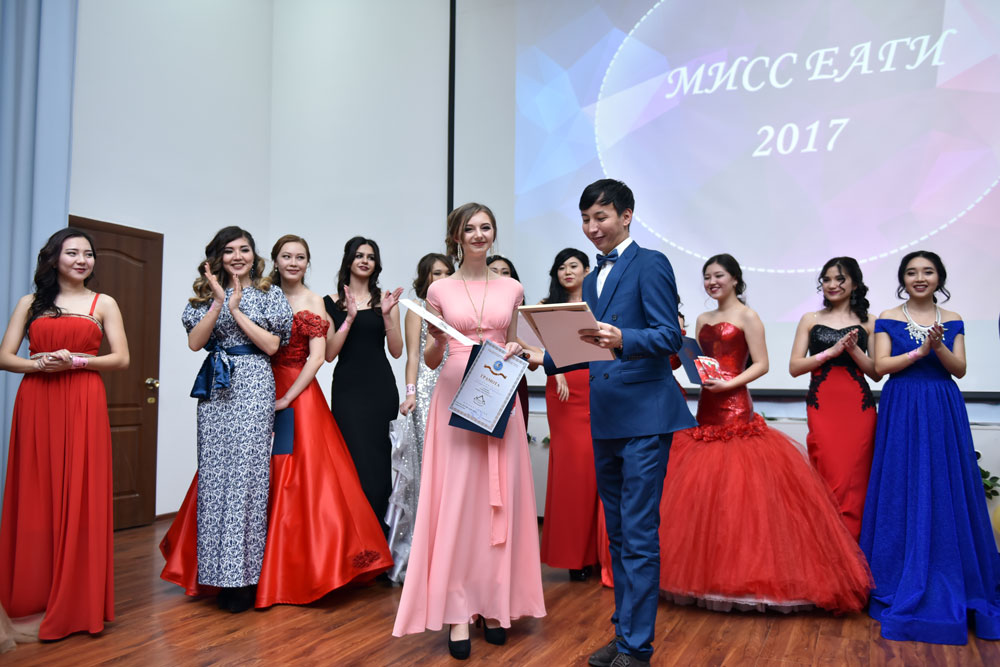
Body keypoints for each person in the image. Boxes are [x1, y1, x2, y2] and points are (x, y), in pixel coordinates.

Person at [160, 235, 393, 606]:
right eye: (287, 256)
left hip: (296, 392)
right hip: (252, 389)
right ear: (274, 260)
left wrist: (287, 397)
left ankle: (294, 568)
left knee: (295, 479)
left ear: (308, 262)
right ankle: (236, 569)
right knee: (248, 475)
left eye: (300, 257)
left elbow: (318, 358)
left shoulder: (313, 301)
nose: (293, 262)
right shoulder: (261, 294)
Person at [535, 179, 695, 667]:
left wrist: (623, 337)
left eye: (600, 217)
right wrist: (540, 355)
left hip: (645, 417)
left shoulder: (651, 263)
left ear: (626, 216)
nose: (592, 228)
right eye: (585, 219)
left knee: (640, 535)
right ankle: (626, 635)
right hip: (604, 419)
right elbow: (585, 345)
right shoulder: (590, 281)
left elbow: (669, 336)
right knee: (620, 535)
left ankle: (636, 649)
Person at [656, 254, 871, 615]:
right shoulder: (702, 319)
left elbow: (762, 364)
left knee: (741, 498)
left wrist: (729, 384)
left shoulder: (749, 316)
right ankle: (710, 577)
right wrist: (695, 367)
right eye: (707, 276)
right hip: (706, 408)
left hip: (736, 407)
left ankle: (744, 579)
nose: (712, 282)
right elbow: (702, 362)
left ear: (735, 280)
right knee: (708, 500)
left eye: (719, 275)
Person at [393, 203, 545, 660]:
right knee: (458, 504)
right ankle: (458, 610)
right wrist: (439, 341)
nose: (479, 234)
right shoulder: (439, 289)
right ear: (456, 237)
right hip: (454, 397)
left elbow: (519, 341)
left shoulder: (512, 287)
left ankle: (496, 606)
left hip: (499, 393)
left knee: (501, 502)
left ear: (493, 234)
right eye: (470, 228)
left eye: (486, 227)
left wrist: (518, 347)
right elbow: (432, 359)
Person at [861, 250, 1000, 644]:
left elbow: (959, 369)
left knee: (943, 485)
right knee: (901, 483)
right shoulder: (887, 316)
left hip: (941, 404)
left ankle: (948, 570)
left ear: (939, 277)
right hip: (902, 403)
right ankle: (894, 573)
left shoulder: (952, 318)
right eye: (911, 272)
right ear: (902, 279)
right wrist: (919, 351)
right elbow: (880, 367)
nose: (919, 278)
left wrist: (938, 347)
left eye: (927, 271)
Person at [0, 228, 129, 639]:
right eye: (72, 253)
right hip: (37, 399)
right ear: (54, 258)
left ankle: (76, 600)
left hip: (83, 398)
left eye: (88, 254)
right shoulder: (30, 303)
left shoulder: (103, 302)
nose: (81, 260)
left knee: (80, 491)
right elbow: (4, 357)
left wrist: (75, 361)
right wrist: (39, 365)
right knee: (36, 490)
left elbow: (121, 358)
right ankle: (33, 594)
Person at [165, 226, 292, 614]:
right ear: (217, 257)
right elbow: (195, 343)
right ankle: (218, 574)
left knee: (249, 479)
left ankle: (246, 578)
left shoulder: (270, 295)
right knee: (215, 478)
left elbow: (272, 345)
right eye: (230, 250)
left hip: (253, 384)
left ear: (254, 256)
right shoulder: (204, 298)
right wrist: (219, 303)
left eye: (245, 250)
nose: (238, 256)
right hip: (216, 390)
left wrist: (236, 309)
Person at [789, 257, 879, 540]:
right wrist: (830, 352)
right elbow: (794, 367)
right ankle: (828, 546)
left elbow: (876, 373)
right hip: (823, 406)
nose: (832, 285)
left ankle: (854, 550)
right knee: (828, 476)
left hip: (858, 408)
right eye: (826, 279)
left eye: (840, 279)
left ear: (855, 284)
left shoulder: (870, 321)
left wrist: (853, 350)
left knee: (856, 479)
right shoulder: (810, 319)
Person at [324, 237, 403, 535]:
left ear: (376, 264)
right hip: (348, 390)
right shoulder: (330, 302)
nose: (365, 261)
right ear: (348, 260)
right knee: (352, 461)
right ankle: (353, 538)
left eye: (370, 257)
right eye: (359, 255)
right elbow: (329, 354)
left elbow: (397, 351)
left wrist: (387, 315)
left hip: (380, 389)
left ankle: (379, 539)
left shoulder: (385, 300)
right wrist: (349, 318)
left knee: (379, 463)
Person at [387, 252, 454, 583]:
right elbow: (412, 355)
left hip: (456, 388)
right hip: (427, 392)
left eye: (446, 273)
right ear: (424, 277)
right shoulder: (416, 308)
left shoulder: (459, 307)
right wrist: (411, 393)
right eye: (435, 273)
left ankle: (453, 549)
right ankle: (423, 552)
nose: (441, 278)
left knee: (455, 470)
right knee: (428, 468)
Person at [537, 248, 600, 582]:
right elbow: (524, 344)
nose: (567, 271)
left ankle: (599, 554)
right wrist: (555, 367)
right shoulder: (546, 307)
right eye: (561, 267)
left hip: (597, 388)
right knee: (572, 473)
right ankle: (575, 557)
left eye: (573, 265)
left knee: (597, 473)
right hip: (562, 394)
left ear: (587, 270)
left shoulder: (599, 304)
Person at [487, 254, 530, 431]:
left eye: (505, 272)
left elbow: (532, 361)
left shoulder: (519, 310)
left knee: (514, 433)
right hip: (483, 374)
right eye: (493, 271)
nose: (500, 276)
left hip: (511, 374)